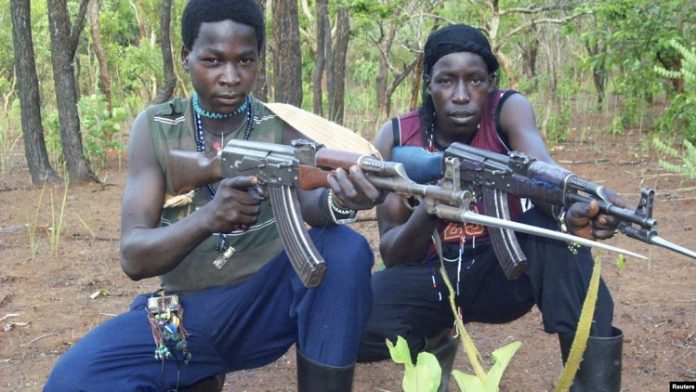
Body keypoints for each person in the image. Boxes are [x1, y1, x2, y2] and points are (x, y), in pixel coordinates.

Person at [44, 0, 382, 391]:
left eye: (245, 61)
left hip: (265, 306)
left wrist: (344, 198)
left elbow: (311, 204)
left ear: (259, 60)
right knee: (75, 378)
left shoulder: (283, 126)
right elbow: (133, 256)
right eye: (213, 60)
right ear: (186, 56)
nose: (230, 77)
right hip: (184, 314)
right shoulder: (156, 127)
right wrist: (207, 218)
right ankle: (197, 373)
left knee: (345, 250)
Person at [357, 24, 625, 392]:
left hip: (503, 271)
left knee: (563, 244)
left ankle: (593, 385)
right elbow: (392, 251)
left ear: (491, 83)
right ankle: (433, 343)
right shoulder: (397, 136)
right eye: (447, 81)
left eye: (476, 81)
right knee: (353, 322)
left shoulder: (507, 110)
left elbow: (544, 174)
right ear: (428, 84)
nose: (462, 95)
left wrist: (575, 204)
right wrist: (430, 208)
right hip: (432, 278)